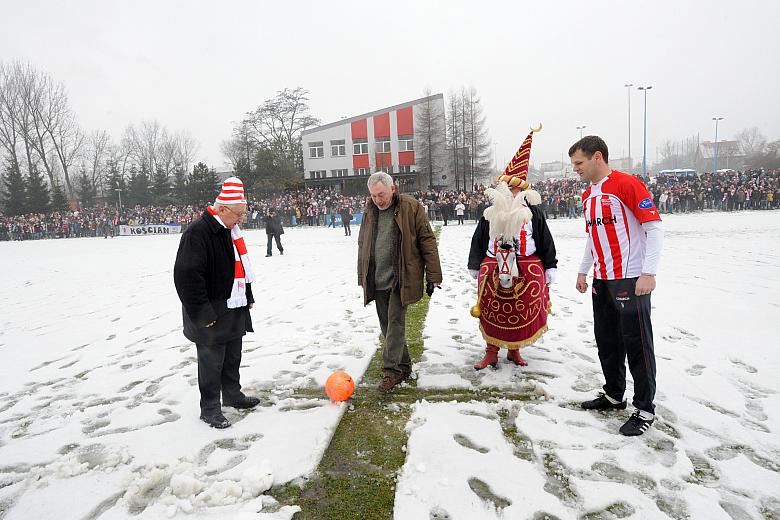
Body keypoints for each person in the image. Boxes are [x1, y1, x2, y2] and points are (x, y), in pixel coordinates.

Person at [570, 136, 664, 437]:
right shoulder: (588, 195)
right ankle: (613, 394)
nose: (575, 169)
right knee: (607, 340)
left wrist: (648, 272)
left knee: (638, 344)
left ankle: (645, 408)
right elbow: (592, 237)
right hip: (603, 279)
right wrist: (584, 271)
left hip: (630, 277)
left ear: (598, 157)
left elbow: (654, 227)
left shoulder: (626, 184)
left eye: (579, 163)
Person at [173, 177, 260, 429]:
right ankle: (209, 408)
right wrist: (202, 312)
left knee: (232, 356)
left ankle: (232, 395)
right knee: (211, 362)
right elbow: (186, 277)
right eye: (238, 214)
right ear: (222, 209)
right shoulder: (197, 233)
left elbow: (241, 268)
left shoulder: (229, 231)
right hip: (209, 310)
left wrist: (248, 296)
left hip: (233, 305)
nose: (241, 220)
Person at [468, 128, 557, 370]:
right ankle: (491, 351)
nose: (511, 192)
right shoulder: (489, 211)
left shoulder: (534, 211)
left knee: (519, 311)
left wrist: (550, 265)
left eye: (516, 189)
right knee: (492, 310)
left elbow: (545, 239)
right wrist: (474, 264)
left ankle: (514, 350)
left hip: (527, 265)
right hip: (493, 264)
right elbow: (479, 238)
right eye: (508, 188)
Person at [357, 172, 443, 392]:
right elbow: (363, 244)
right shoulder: (370, 211)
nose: (378, 200)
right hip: (377, 278)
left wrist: (433, 276)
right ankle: (403, 365)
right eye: (374, 196)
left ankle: (391, 371)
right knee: (387, 326)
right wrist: (363, 275)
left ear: (393, 189)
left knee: (395, 323)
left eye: (382, 194)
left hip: (401, 277)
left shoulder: (410, 206)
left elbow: (427, 240)